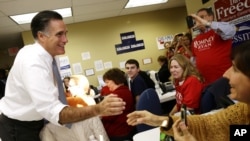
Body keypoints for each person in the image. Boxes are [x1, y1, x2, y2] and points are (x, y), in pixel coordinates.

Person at [0, 10, 125, 141]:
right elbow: (54, 111)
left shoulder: (51, 56)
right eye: (59, 34)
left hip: (36, 120)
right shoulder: (32, 62)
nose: (66, 40)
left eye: (65, 33)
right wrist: (98, 109)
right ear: (41, 36)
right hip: (18, 127)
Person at [127, 40, 250, 141]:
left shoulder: (191, 81)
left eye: (234, 69)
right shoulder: (243, 110)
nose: (226, 74)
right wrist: (159, 120)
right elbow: (206, 125)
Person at [190, 8, 237, 87]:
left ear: (211, 17)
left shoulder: (219, 32)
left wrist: (208, 23)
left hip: (226, 80)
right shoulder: (195, 40)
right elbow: (195, 60)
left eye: (201, 17)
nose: (198, 20)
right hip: (206, 83)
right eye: (196, 19)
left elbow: (231, 30)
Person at [101, 68, 136, 141]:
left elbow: (108, 116)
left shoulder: (116, 95)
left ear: (115, 80)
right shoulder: (126, 90)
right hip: (128, 128)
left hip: (118, 132)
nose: (107, 85)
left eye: (107, 82)